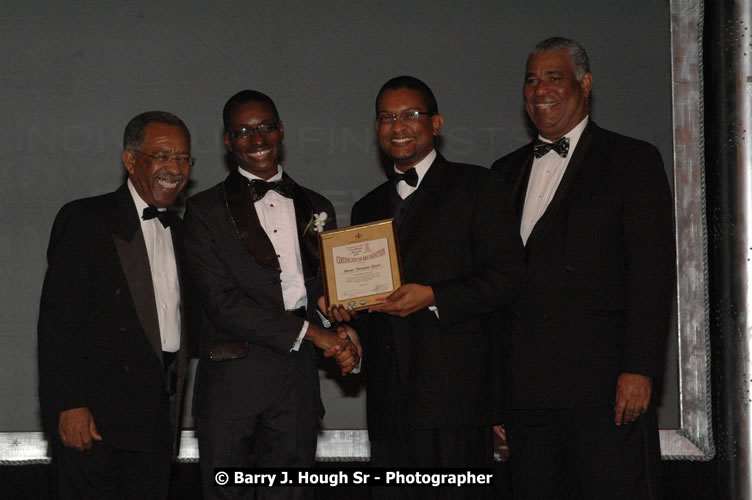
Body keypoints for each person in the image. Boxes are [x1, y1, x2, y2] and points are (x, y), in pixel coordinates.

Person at [491, 37, 675, 499]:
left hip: (604, 389)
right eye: (531, 80)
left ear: (585, 84)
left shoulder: (632, 160)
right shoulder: (502, 172)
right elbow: (494, 289)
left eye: (554, 77)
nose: (540, 90)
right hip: (526, 393)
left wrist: (639, 368)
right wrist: (494, 396)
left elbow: (651, 275)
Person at [348, 76, 524, 497]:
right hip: (389, 404)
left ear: (437, 123)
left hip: (456, 400)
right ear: (377, 128)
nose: (398, 126)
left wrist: (433, 295)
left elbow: (508, 277)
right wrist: (347, 324)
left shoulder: (478, 186)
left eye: (411, 114)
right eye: (387, 117)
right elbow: (367, 299)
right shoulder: (366, 206)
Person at [183, 90, 359, 500]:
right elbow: (221, 303)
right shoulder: (204, 210)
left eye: (265, 127)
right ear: (227, 141)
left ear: (281, 130)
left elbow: (319, 293)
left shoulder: (317, 205)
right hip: (232, 385)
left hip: (296, 384)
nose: (256, 139)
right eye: (243, 131)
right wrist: (316, 335)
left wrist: (335, 318)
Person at [38, 111, 194, 499]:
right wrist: (69, 404)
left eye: (183, 158)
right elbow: (59, 325)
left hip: (157, 422)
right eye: (162, 156)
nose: (174, 168)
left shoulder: (184, 232)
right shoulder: (86, 219)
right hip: (95, 422)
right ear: (130, 160)